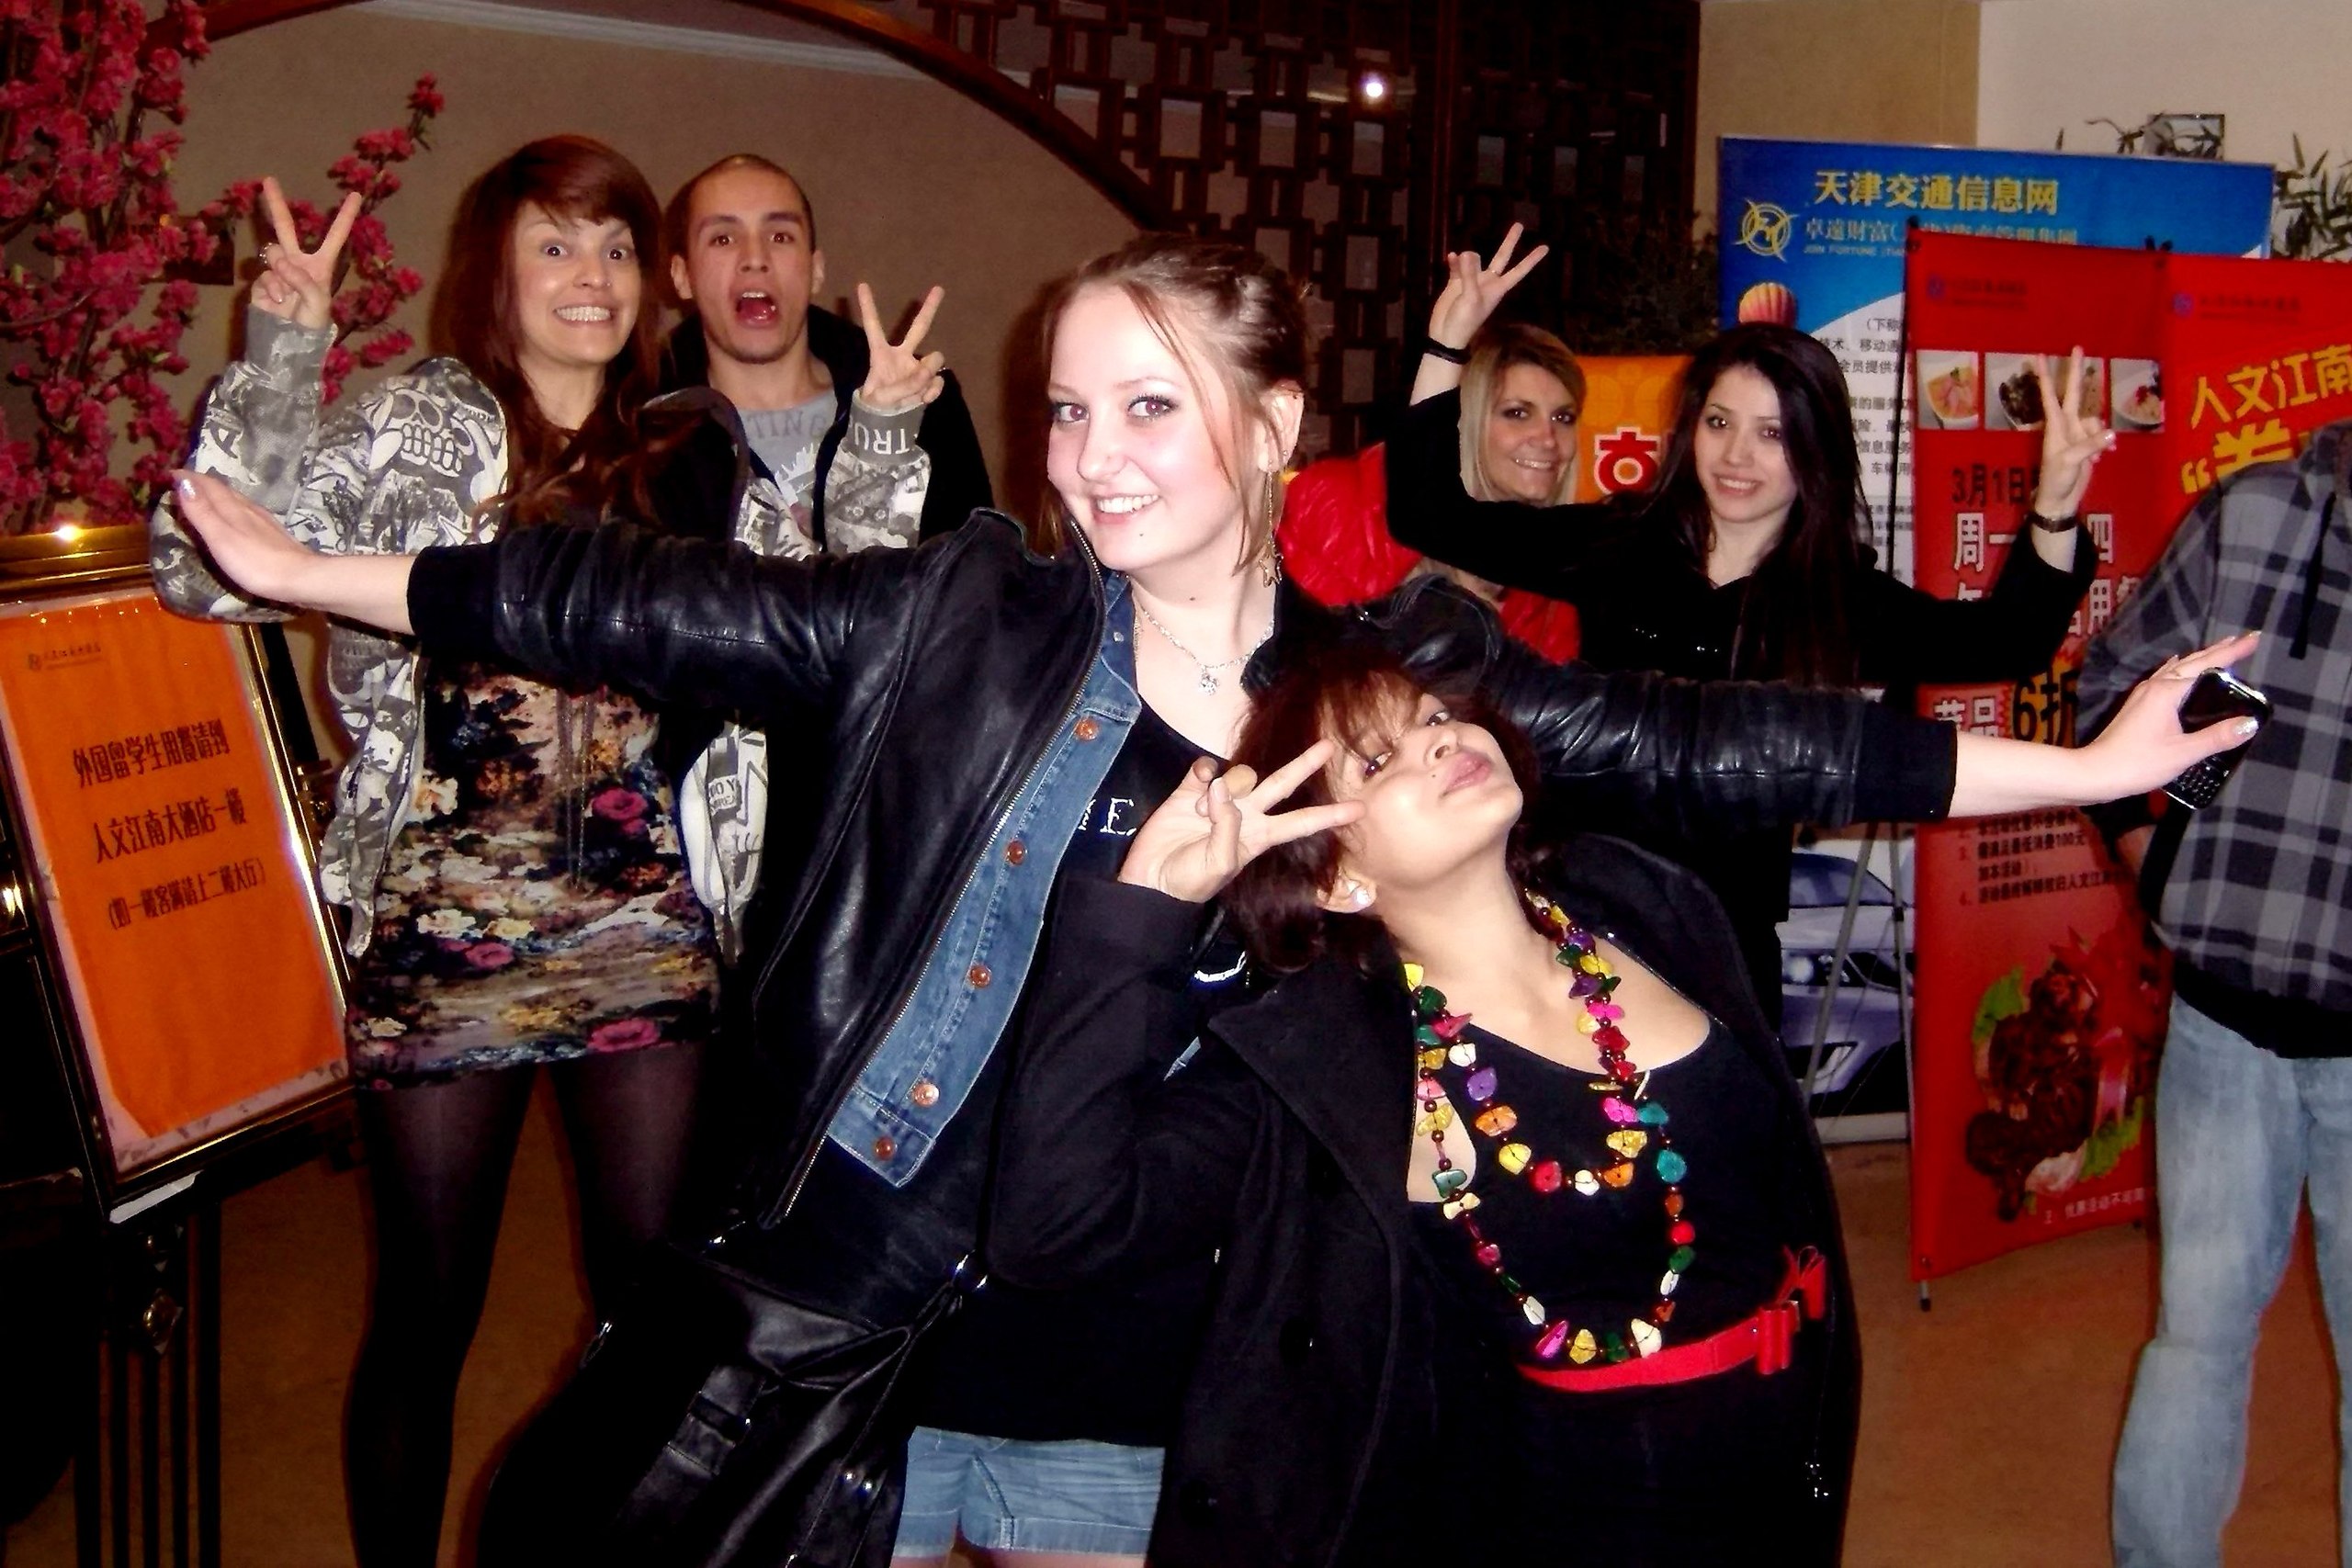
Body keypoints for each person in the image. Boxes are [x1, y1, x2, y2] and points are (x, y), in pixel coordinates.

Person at [164, 231, 2252, 1568]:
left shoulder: (1384, 682)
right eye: (1068, 409)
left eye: (1147, 407)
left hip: (1168, 1361)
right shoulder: (961, 618)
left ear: (1269, 428)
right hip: (855, 1328)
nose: (1091, 455)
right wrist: (315, 571)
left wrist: (2079, 766)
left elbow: (1696, 740)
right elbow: (634, 600)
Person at [147, 137, 933, 1568]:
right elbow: (198, 570)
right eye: (558, 244)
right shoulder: (409, 422)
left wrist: (877, 436)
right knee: (428, 1307)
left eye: (618, 247)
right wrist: (282, 354)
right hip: (444, 923)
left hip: (650, 923)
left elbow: (836, 622)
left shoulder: (692, 448)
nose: (594, 276)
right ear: (495, 273)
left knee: (649, 1310)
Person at [989, 641, 1882, 1562]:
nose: (1440, 740)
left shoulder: (1644, 903)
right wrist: (1143, 910)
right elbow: (1053, 1223)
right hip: (1579, 1517)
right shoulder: (1332, 1069)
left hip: (1792, 1473)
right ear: (1338, 879)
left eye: (1435, 716)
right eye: (1379, 761)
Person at [1392, 288, 2105, 1017]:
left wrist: (2054, 506)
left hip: (1723, 938)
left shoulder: (1837, 599)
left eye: (1772, 433)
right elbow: (1428, 515)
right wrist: (1447, 343)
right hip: (1578, 911)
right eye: (1720, 422)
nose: (1737, 455)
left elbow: (2008, 641)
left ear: (1814, 450)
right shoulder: (1623, 544)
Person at [2086, 423, 2350, 1568]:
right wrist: (2141, 842)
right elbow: (2111, 685)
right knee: (2193, 1341)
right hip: (2221, 1025)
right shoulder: (2252, 513)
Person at [1279, 228, 1582, 661]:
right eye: (1517, 413)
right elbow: (1298, 661)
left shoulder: (1554, 584)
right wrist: (1447, 345)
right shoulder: (1342, 505)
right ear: (1465, 420)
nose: (1548, 438)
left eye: (1563, 418)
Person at [662, 152, 991, 547]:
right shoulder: (641, 435)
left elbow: (980, 572)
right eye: (723, 239)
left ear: (816, 270)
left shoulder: (923, 406)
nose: (755, 259)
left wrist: (891, 431)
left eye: (780, 237)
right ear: (682, 276)